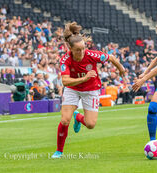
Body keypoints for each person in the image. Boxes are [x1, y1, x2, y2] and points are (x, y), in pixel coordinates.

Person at [51, 22, 125, 158]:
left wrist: (121, 70)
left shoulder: (92, 55)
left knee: (90, 124)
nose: (82, 52)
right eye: (78, 49)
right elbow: (65, 81)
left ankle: (78, 117)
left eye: (83, 48)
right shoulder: (65, 59)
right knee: (64, 120)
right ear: (70, 49)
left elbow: (112, 58)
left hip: (91, 90)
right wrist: (84, 78)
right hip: (72, 89)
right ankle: (59, 151)